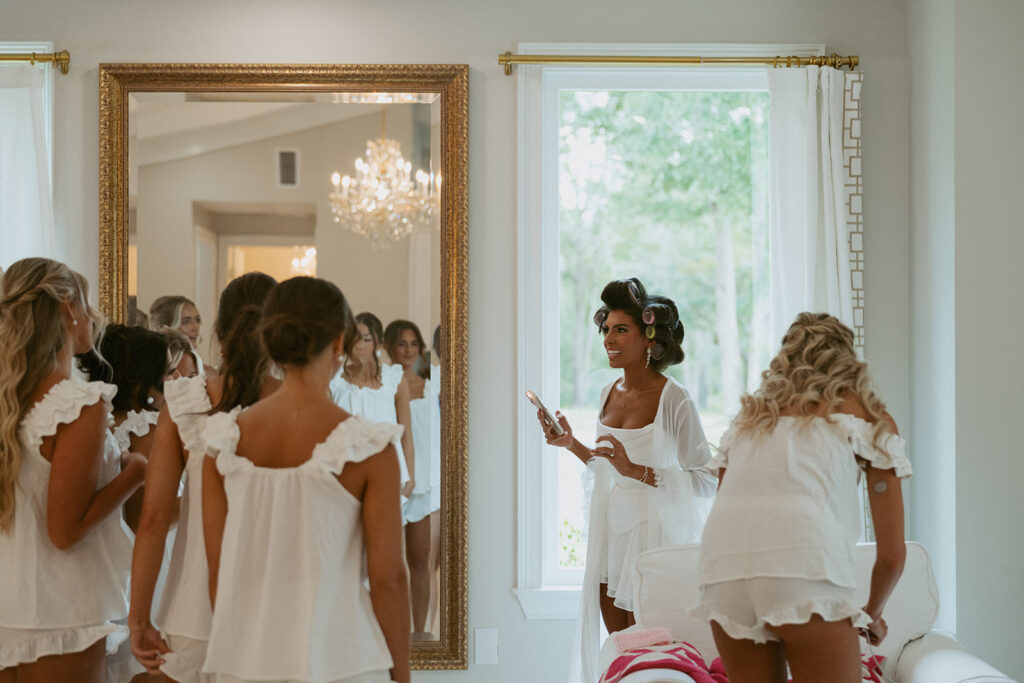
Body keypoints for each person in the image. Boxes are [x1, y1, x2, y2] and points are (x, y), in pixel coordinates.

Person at [202, 276, 410, 683]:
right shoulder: (370, 448)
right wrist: (401, 677)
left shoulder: (222, 443)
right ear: (338, 343)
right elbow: (389, 581)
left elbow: (220, 575)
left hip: (247, 662)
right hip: (344, 660)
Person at [693, 312, 910, 683]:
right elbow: (891, 555)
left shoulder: (750, 419)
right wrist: (871, 613)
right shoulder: (867, 416)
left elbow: (728, 504)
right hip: (802, 567)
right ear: (847, 359)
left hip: (723, 568)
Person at [538, 277, 716, 682]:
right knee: (621, 657)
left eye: (621, 329)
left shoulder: (675, 398)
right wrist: (571, 443)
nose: (608, 338)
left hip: (654, 542)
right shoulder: (606, 392)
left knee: (654, 656)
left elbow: (707, 479)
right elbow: (606, 467)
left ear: (649, 339)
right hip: (612, 539)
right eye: (607, 329)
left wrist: (635, 469)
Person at [0, 258, 146, 682]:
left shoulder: (11, 400)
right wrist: (134, 472)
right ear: (68, 308)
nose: (95, 316)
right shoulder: (76, 404)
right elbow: (64, 531)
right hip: (62, 602)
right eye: (89, 303)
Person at [129, 272, 278, 682]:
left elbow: (154, 518)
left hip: (192, 606)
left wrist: (139, 618)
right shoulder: (298, 410)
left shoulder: (184, 401)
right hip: (275, 605)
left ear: (218, 331)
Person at [383, 319, 441, 638]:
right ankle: (391, 631)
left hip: (426, 483)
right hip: (391, 481)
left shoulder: (433, 388)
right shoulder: (380, 388)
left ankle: (422, 633)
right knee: (388, 563)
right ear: (389, 347)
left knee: (422, 561)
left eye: (414, 343)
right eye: (402, 344)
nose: (408, 350)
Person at [330, 312, 414, 499]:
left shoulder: (394, 380)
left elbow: (406, 433)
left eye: (365, 339)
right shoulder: (334, 381)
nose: (359, 345)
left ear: (378, 342)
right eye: (353, 338)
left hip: (388, 474)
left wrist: (410, 477)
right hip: (345, 475)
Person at [100, 324, 170, 532]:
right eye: (167, 372)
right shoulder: (145, 429)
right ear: (141, 381)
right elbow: (139, 517)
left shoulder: (104, 422)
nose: (173, 380)